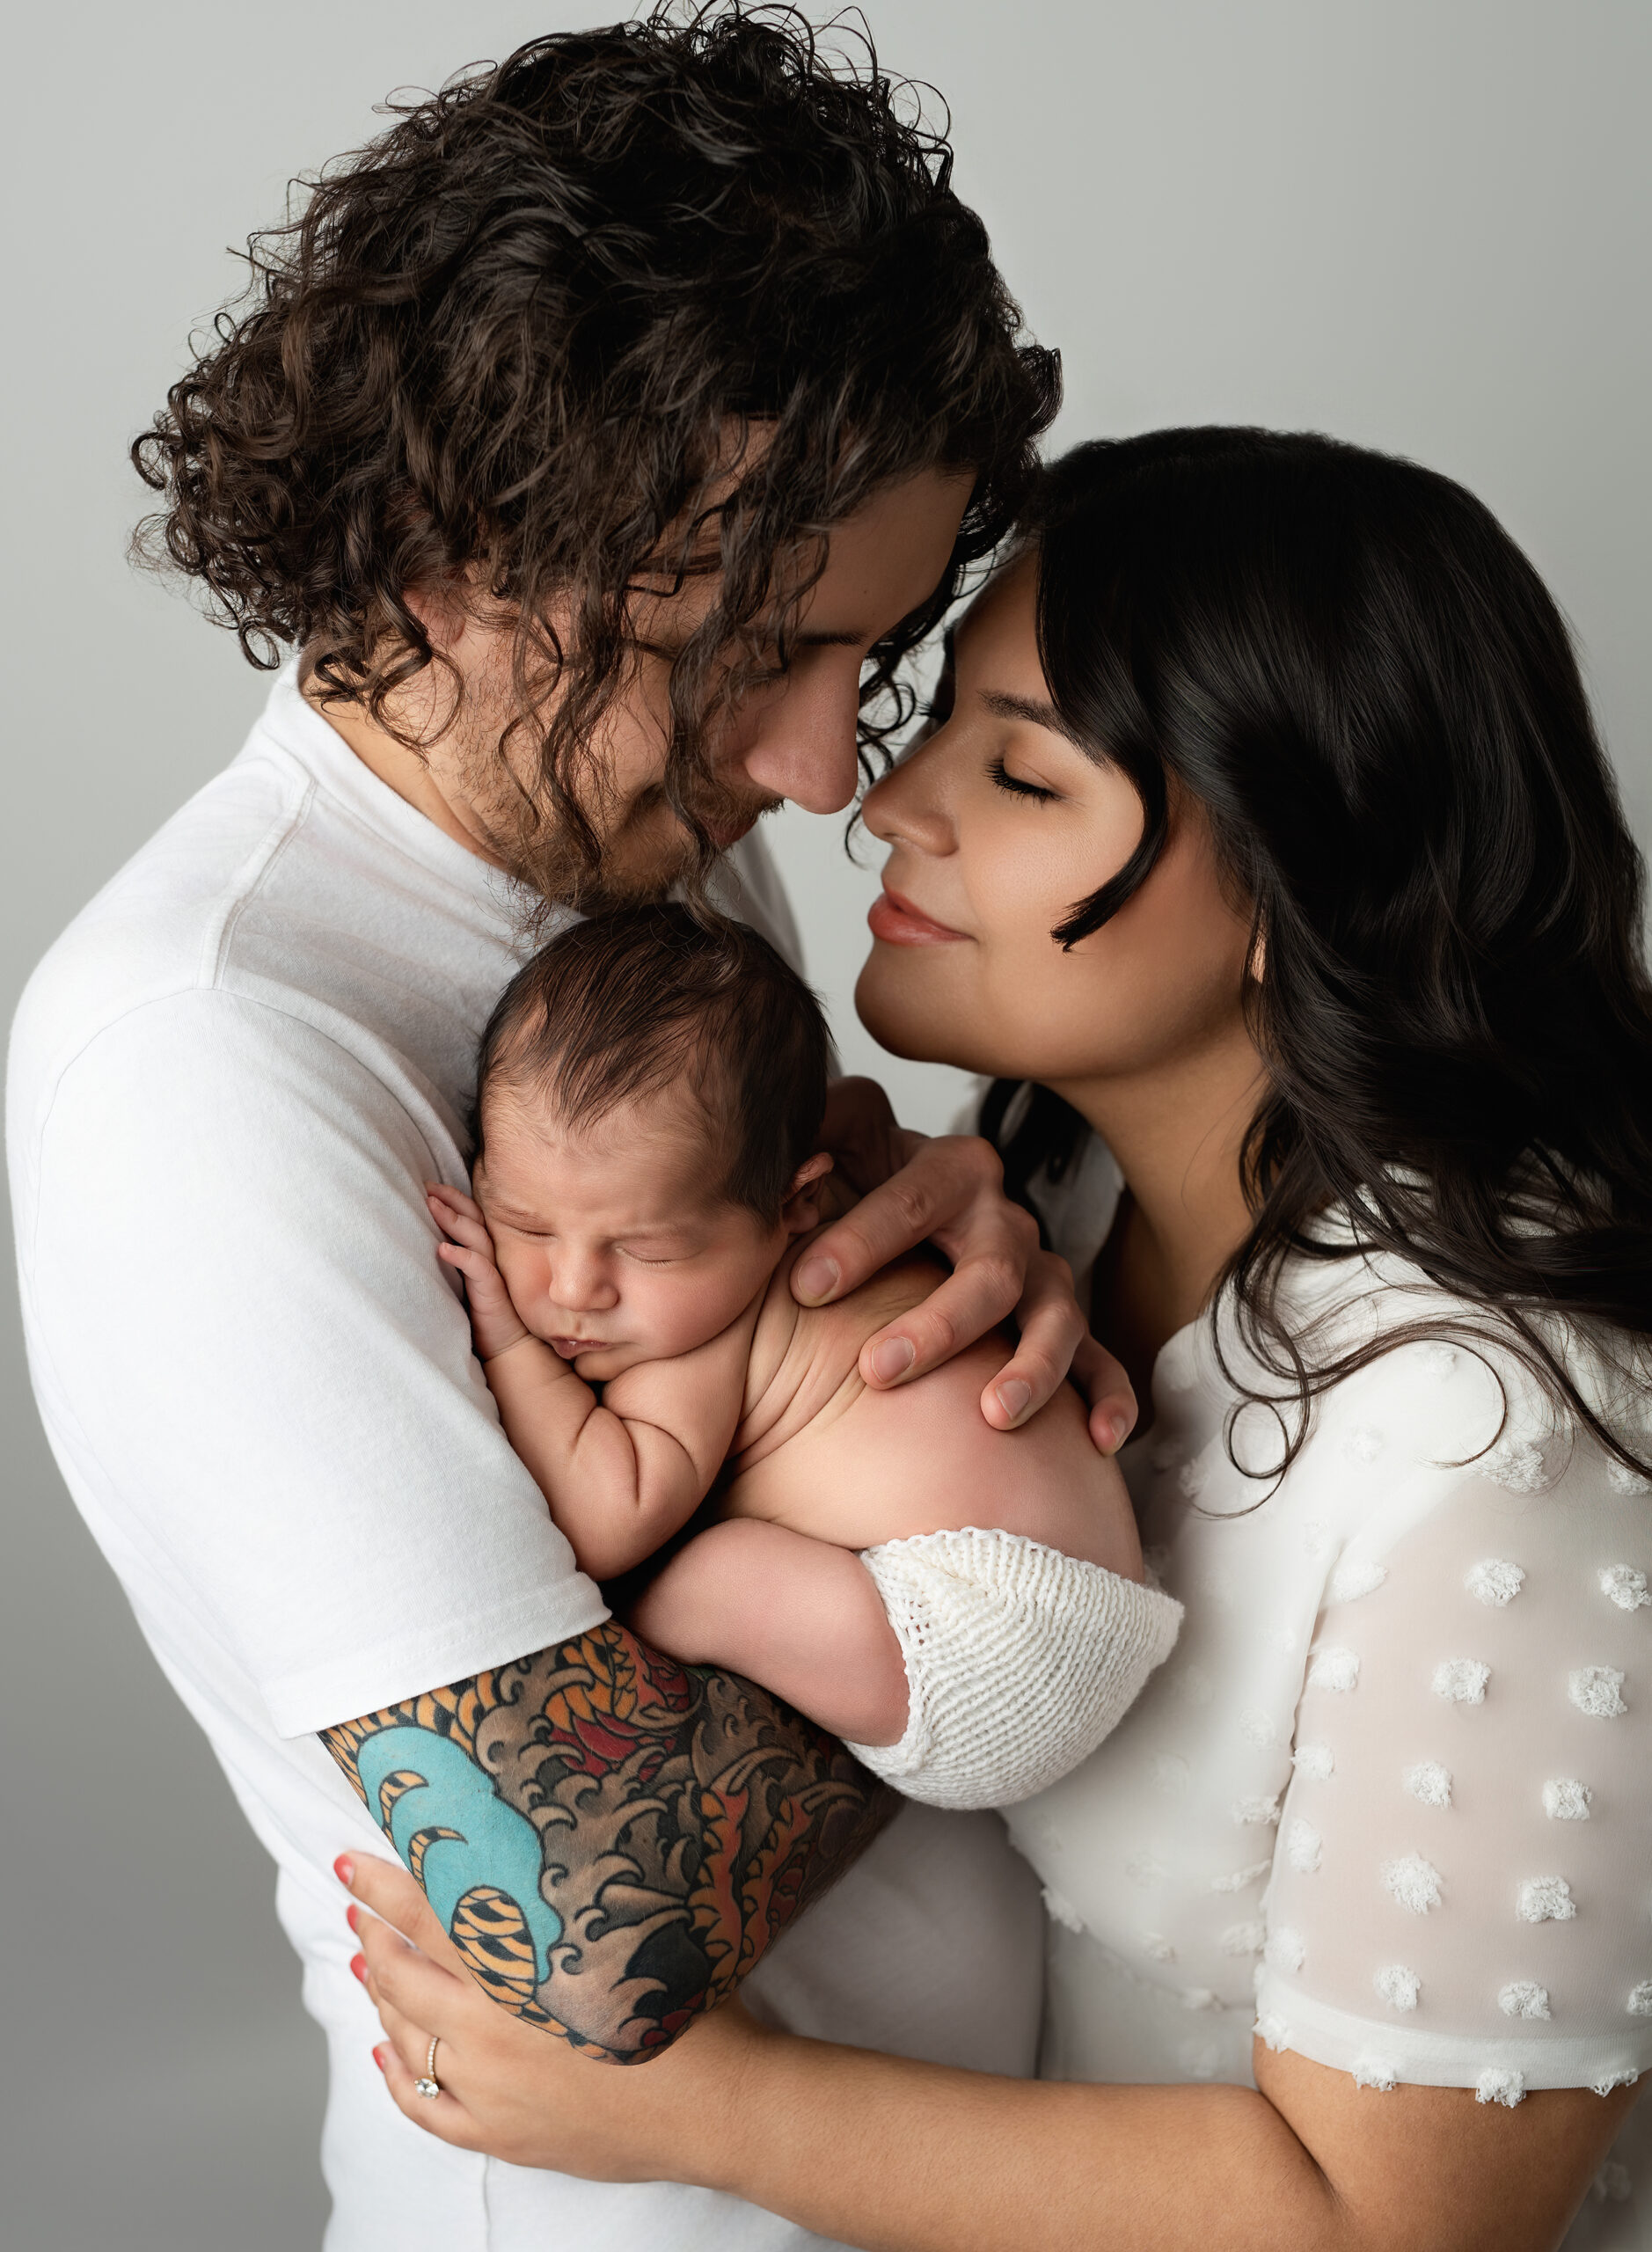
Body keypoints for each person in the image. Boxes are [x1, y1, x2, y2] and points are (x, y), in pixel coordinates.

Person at [5, 16, 1136, 2248]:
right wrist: (1023, 1614)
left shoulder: (638, 834)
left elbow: (768, 1404)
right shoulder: (203, 1052)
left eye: (869, 654)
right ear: (455, 548)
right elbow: (581, 1915)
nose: (827, 771)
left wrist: (952, 1277)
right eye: (764, 652)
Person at [345, 428, 1652, 2252]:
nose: (882, 806)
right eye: (939, 716)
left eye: (1023, 771)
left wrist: (703, 2102)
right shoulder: (1047, 1213)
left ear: (1298, 886)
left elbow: (1401, 2224)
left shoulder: (1504, 1436)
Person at [427, 905, 1176, 1826]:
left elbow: (605, 1517)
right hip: (1100, 1592)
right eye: (526, 1224)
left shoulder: (698, 1336)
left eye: (648, 1250)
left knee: (695, 1571)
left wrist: (507, 1341)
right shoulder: (804, 1202)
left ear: (795, 1207)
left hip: (979, 1648)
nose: (574, 1287)